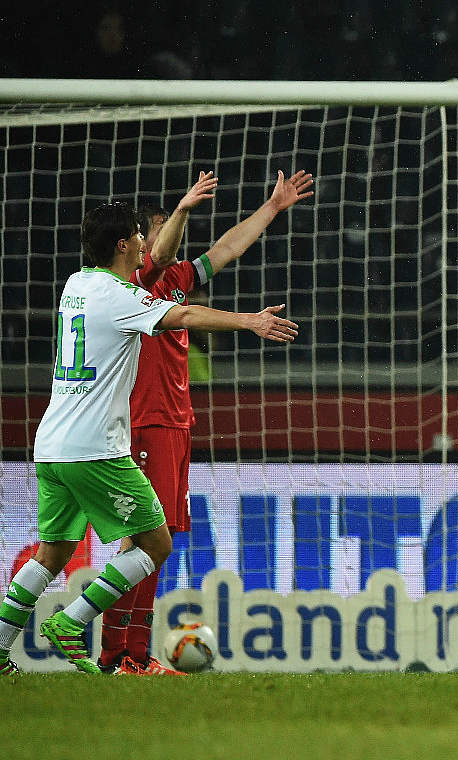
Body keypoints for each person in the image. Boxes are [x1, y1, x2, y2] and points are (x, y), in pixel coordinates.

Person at [0, 201, 298, 674]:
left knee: (52, 552)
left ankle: (0, 649)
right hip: (100, 445)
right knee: (153, 545)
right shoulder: (127, 295)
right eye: (140, 234)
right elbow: (182, 316)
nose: (146, 242)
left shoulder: (77, 284)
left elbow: (212, 255)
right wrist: (249, 321)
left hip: (53, 445)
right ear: (126, 245)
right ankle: (82, 628)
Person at [97, 169, 315, 675]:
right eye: (159, 228)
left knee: (156, 541)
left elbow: (226, 249)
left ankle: (130, 655)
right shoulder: (138, 281)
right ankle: (119, 655)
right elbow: (159, 253)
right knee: (142, 540)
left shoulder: (176, 280)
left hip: (175, 424)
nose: (172, 236)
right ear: (137, 244)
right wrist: (182, 209)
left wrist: (272, 208)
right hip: (146, 422)